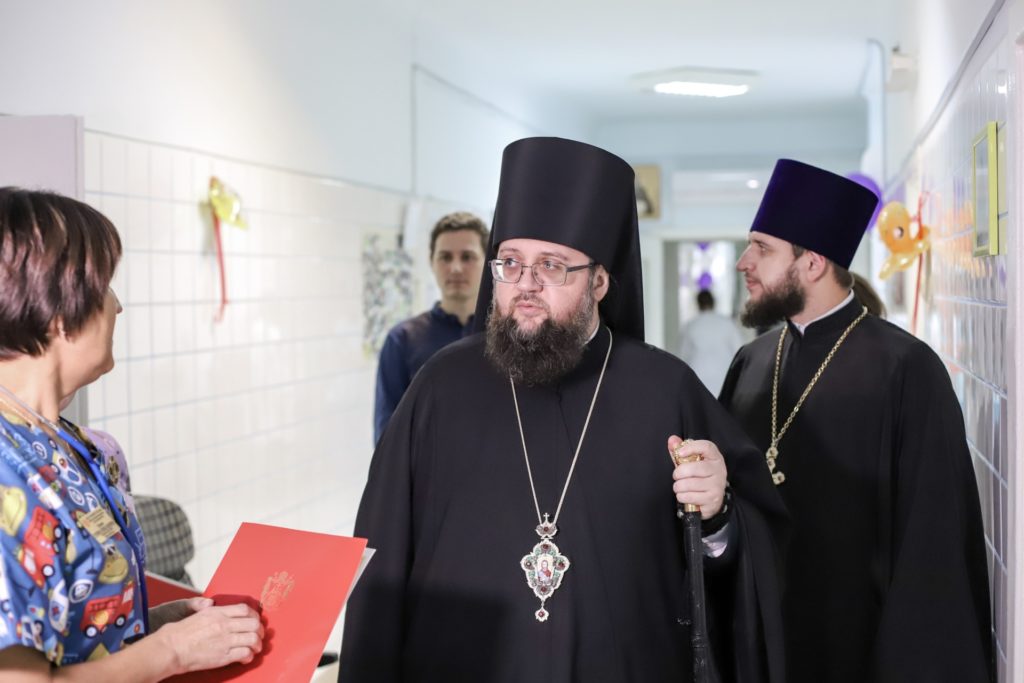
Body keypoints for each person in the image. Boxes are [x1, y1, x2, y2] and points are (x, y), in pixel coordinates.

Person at [340, 138, 788, 682]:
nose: (525, 285)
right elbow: (381, 556)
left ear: (598, 281)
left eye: (551, 267)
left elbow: (750, 556)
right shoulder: (441, 385)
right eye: (510, 263)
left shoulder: (665, 389)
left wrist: (717, 514)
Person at [719, 160, 993, 682]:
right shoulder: (751, 363)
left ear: (813, 263)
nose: (743, 262)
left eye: (762, 248)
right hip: (764, 647)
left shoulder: (906, 370)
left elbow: (932, 545)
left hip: (862, 653)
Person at [0, 188, 264, 679]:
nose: (117, 306)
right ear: (59, 310)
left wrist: (150, 627)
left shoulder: (72, 445)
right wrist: (172, 652)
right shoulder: (5, 468)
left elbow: (71, 626)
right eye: (104, 286)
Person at [373, 211, 488, 441]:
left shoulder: (506, 336)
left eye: (467, 257)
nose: (456, 268)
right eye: (445, 257)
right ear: (431, 262)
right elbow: (388, 438)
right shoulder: (402, 340)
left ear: (487, 262)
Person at [679, 289, 746, 394]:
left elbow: (682, 357)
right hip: (723, 377)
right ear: (713, 302)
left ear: (698, 303)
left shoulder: (690, 326)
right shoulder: (727, 323)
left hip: (698, 379)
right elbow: (740, 352)